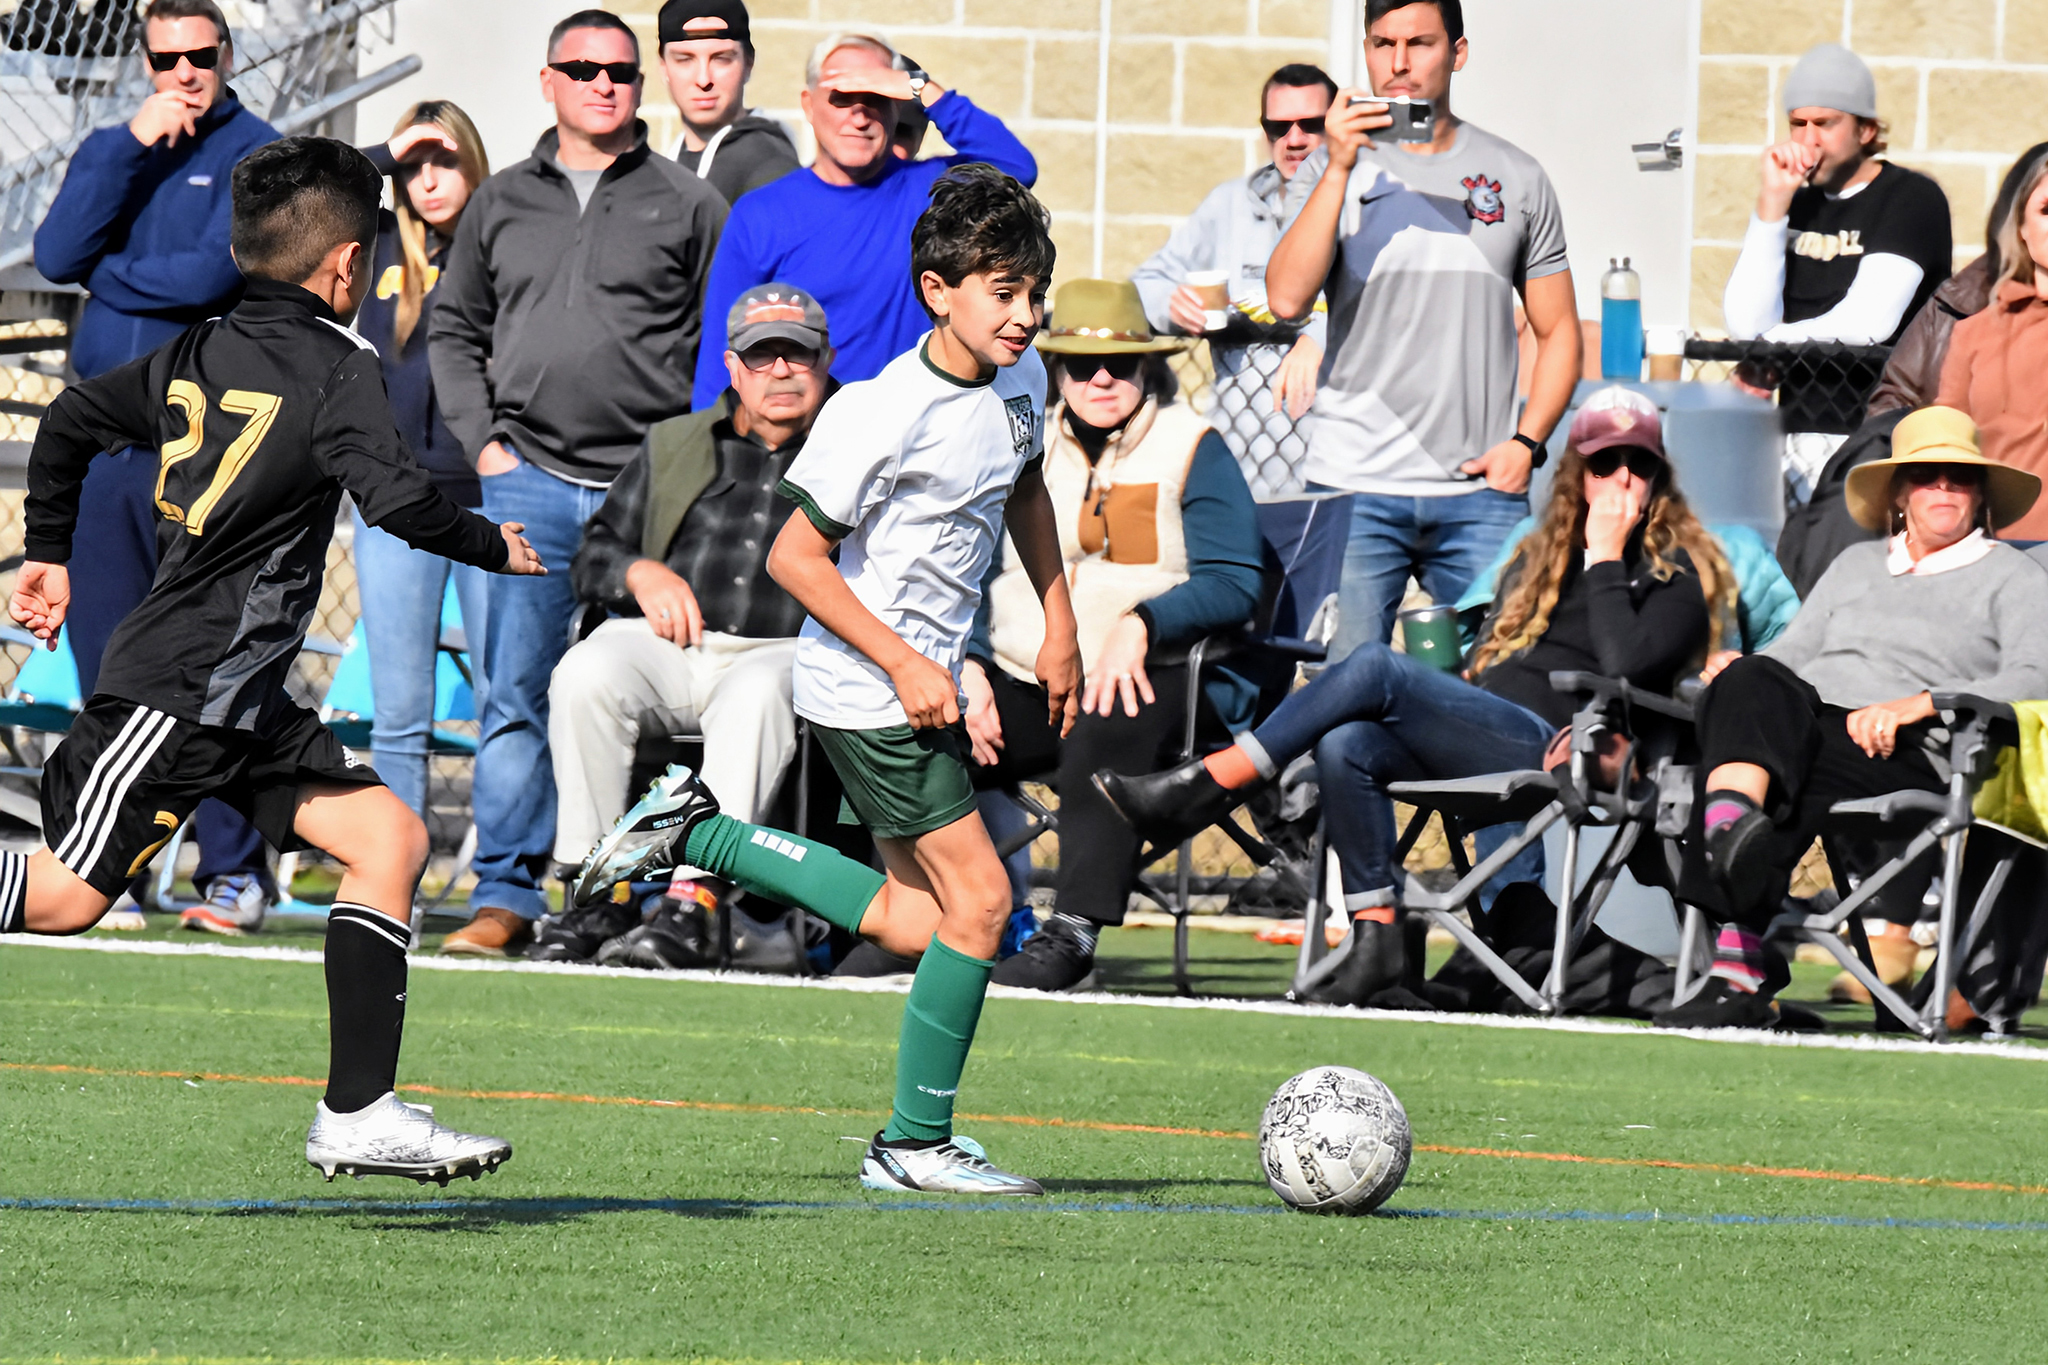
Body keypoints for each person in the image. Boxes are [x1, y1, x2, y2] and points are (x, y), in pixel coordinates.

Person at [1, 136, 544, 1179]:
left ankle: (358, 1112)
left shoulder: (198, 347)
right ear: (346, 267)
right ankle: (359, 1109)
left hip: (238, 693)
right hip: (182, 689)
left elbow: (68, 418)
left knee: (387, 838)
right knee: (66, 899)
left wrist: (49, 554)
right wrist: (491, 543)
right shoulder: (342, 366)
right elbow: (392, 499)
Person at [577, 166, 1079, 1194]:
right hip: (870, 689)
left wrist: (1059, 619)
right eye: (1002, 292)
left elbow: (1026, 488)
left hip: (917, 680)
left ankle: (699, 831)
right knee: (980, 907)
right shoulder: (879, 410)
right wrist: (902, 662)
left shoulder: (1022, 377)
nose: (1025, 315)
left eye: (1034, 293)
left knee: (918, 920)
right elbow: (793, 559)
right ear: (937, 290)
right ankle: (911, 1144)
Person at [1100, 387, 1730, 1007]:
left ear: (1659, 478)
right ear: (1576, 475)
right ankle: (1379, 942)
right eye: (1603, 464)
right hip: (1481, 733)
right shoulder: (1542, 559)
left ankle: (1211, 785)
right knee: (1348, 740)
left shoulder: (1673, 573)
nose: (1621, 478)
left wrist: (1607, 556)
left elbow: (1625, 664)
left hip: (1559, 751)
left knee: (1373, 663)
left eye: (1638, 464)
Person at [428, 8, 728, 956]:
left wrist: (691, 466)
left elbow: (723, 350)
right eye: (584, 68)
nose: (606, 84)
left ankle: (626, 895)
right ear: (549, 82)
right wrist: (484, 447)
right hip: (527, 483)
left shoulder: (688, 203)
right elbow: (452, 329)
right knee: (513, 696)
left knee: (657, 705)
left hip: (656, 498)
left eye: (623, 72)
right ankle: (509, 895)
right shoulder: (501, 199)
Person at [31, 0, 279, 934]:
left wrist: (107, 270)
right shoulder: (117, 145)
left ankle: (233, 876)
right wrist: (125, 153)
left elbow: (210, 278)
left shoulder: (261, 152)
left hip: (200, 456)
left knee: (206, 674)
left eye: (201, 53)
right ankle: (109, 877)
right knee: (108, 675)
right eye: (167, 56)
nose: (185, 70)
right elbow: (57, 252)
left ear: (227, 52)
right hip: (101, 455)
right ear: (144, 61)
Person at [1681, 407, 2048, 1031]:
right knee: (1748, 685)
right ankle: (1732, 826)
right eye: (1928, 476)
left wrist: (1925, 700)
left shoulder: (2014, 575)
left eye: (1959, 479)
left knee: (1763, 771)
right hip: (1815, 730)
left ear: (1980, 495)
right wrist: (1736, 670)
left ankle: (1739, 960)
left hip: (1916, 752)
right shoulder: (1853, 565)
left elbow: (2037, 675)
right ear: (1900, 494)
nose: (1943, 489)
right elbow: (1789, 656)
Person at [954, 279, 1264, 992]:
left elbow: (1237, 580)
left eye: (1121, 366)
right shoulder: (1021, 444)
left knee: (1107, 710)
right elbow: (967, 567)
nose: (1101, 379)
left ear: (1147, 369)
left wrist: (1144, 622)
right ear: (1055, 368)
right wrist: (967, 664)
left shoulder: (1194, 446)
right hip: (1020, 674)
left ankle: (1073, 928)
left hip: (1158, 681)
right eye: (1082, 365)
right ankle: (911, 911)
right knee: (913, 732)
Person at [1265, 0, 1582, 662]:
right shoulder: (1330, 166)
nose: (1399, 63)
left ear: (1457, 53)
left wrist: (1526, 443)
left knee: (1494, 684)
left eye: (1419, 43)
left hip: (1479, 495)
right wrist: (1341, 167)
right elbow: (1287, 297)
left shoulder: (1516, 176)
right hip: (1353, 483)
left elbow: (1559, 332)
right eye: (1382, 44)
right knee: (1340, 691)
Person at [533, 283, 835, 967]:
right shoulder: (675, 443)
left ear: (826, 359)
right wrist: (641, 573)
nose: (782, 371)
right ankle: (598, 891)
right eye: (764, 356)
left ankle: (690, 904)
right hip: (676, 645)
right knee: (587, 670)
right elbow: (596, 552)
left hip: (788, 647)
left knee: (758, 692)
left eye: (799, 355)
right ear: (733, 366)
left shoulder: (857, 445)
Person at [689, 30, 1037, 408]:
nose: (859, 115)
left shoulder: (931, 192)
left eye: (875, 98)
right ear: (809, 104)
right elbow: (719, 357)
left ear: (895, 106)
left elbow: (1016, 167)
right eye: (842, 98)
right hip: (811, 445)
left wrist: (923, 88)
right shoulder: (761, 214)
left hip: (924, 436)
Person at [1133, 63, 1341, 639]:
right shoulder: (1229, 205)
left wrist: (1318, 336)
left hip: (1327, 466)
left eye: (1310, 124)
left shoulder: (1356, 204)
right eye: (1278, 127)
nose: (1293, 139)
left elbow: (1387, 304)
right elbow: (1144, 284)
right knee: (1244, 632)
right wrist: (1171, 306)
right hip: (1240, 459)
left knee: (1317, 631)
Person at [1721, 42, 1951, 504]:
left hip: (1877, 437)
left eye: (1824, 124)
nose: (1807, 141)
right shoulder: (1795, 204)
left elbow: (1869, 321)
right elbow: (1747, 324)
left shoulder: (1910, 197)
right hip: (1791, 437)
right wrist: (1772, 204)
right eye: (1797, 124)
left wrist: (1770, 350)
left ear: (1866, 129)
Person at [347, 101, 493, 827]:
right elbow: (288, 194)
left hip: (492, 499)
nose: (429, 180)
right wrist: (385, 149)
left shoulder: (504, 242)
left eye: (445, 161)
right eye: (414, 168)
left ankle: (507, 887)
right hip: (395, 503)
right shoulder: (373, 243)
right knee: (399, 710)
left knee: (504, 701)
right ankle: (393, 868)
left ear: (474, 163)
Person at [1935, 145, 2048, 540]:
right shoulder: (1974, 334)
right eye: (2047, 210)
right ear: (2021, 225)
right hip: (1996, 548)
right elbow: (1943, 447)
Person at [655, 0, 799, 204]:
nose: (703, 80)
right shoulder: (668, 160)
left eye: (721, 58)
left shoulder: (769, 164)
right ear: (663, 67)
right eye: (685, 59)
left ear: (749, 63)